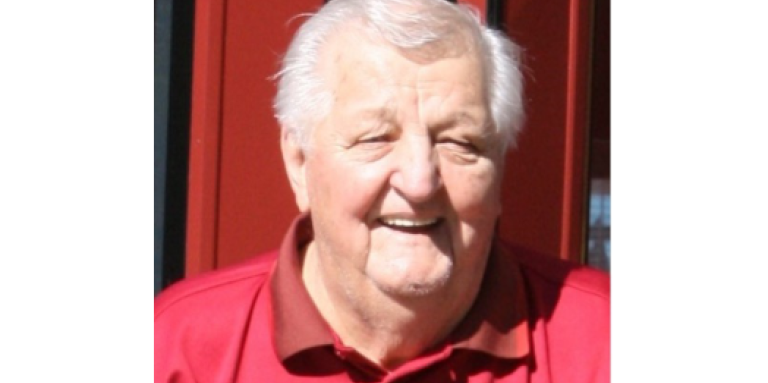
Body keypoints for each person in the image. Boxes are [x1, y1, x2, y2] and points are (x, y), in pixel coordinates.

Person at [154, 0, 609, 381]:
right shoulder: (178, 350)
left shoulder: (605, 344)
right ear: (298, 163)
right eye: (375, 137)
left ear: (499, 167)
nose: (419, 181)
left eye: (457, 141)